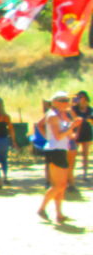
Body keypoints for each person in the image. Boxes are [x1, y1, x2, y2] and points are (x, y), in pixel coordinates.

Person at [37, 91, 81, 222]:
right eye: (63, 100)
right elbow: (58, 136)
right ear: (55, 102)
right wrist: (72, 127)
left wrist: (72, 130)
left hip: (60, 149)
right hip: (55, 150)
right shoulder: (53, 116)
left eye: (67, 100)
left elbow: (64, 134)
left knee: (61, 185)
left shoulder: (61, 115)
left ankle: (59, 214)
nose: (66, 103)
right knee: (59, 185)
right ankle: (42, 208)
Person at [73, 91, 93, 181]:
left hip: (87, 132)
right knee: (73, 153)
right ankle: (71, 174)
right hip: (76, 133)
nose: (79, 99)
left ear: (85, 98)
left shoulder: (90, 109)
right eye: (78, 97)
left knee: (85, 154)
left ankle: (85, 174)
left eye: (81, 97)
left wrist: (90, 120)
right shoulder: (74, 109)